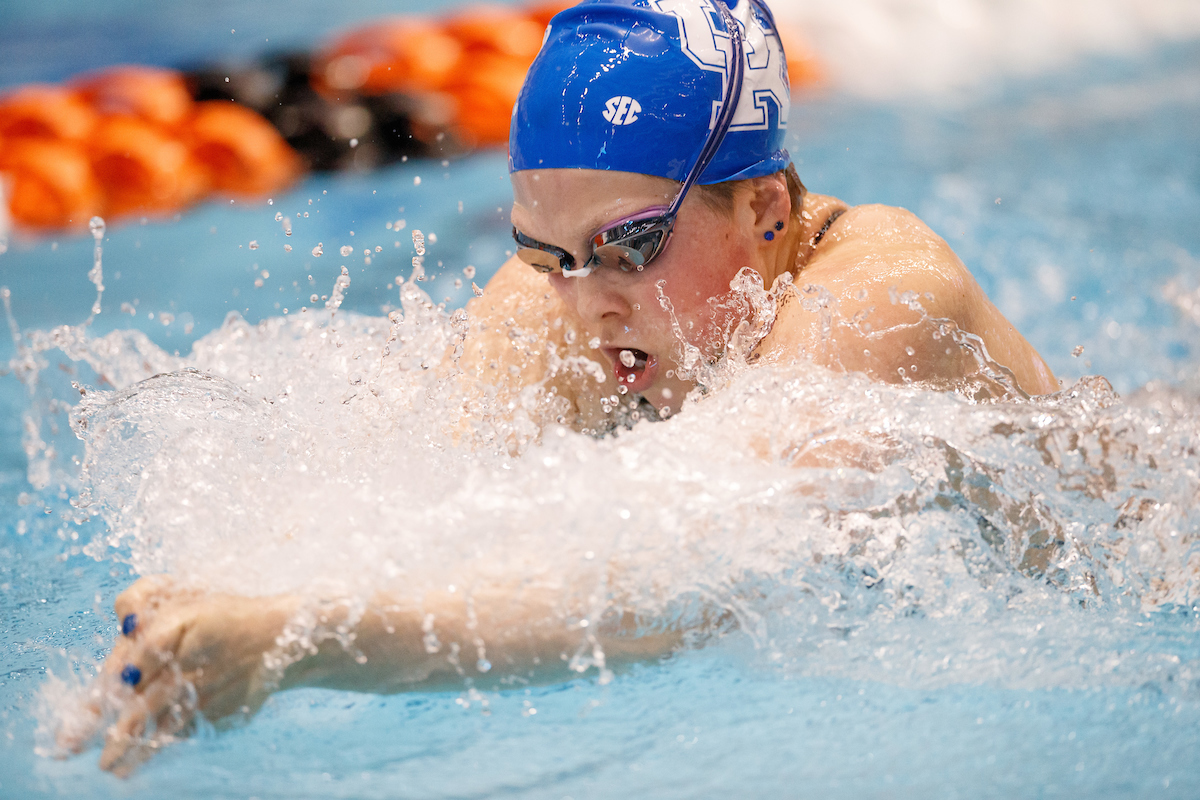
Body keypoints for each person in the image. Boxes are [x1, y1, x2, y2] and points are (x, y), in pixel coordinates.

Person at [63, 0, 1056, 775]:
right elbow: (422, 497)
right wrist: (232, 605)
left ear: (761, 206)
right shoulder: (564, 294)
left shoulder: (883, 298)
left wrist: (302, 640)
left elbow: (684, 588)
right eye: (547, 252)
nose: (588, 307)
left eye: (630, 245)